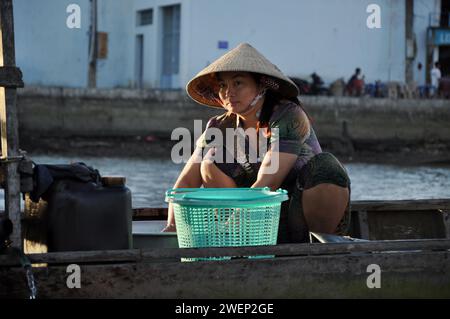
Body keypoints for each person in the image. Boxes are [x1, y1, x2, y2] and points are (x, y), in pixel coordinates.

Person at [162, 43, 351, 243]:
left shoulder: (289, 116)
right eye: (223, 86)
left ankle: (321, 249)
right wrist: (172, 229)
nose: (228, 93)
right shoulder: (218, 126)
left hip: (297, 215)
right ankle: (239, 244)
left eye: (238, 83)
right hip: (253, 223)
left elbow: (268, 181)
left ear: (261, 87)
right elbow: (186, 183)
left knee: (326, 166)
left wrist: (232, 227)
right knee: (211, 160)